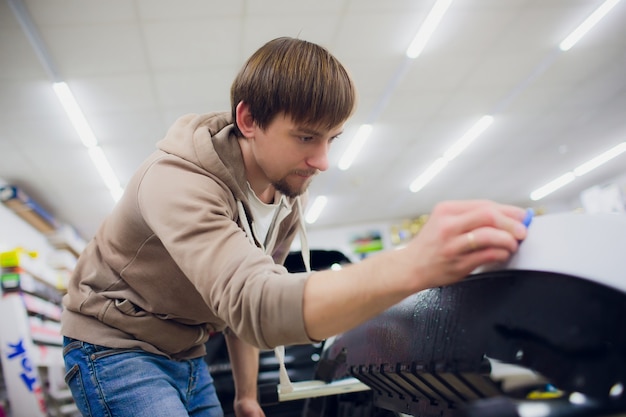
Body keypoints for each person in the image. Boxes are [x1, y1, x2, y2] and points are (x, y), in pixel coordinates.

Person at [61, 37, 529, 417]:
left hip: (186, 352)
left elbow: (242, 298)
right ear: (249, 120)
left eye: (331, 139)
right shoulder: (177, 182)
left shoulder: (283, 193)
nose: (323, 161)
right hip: (114, 347)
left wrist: (247, 394)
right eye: (306, 137)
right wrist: (416, 263)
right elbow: (258, 304)